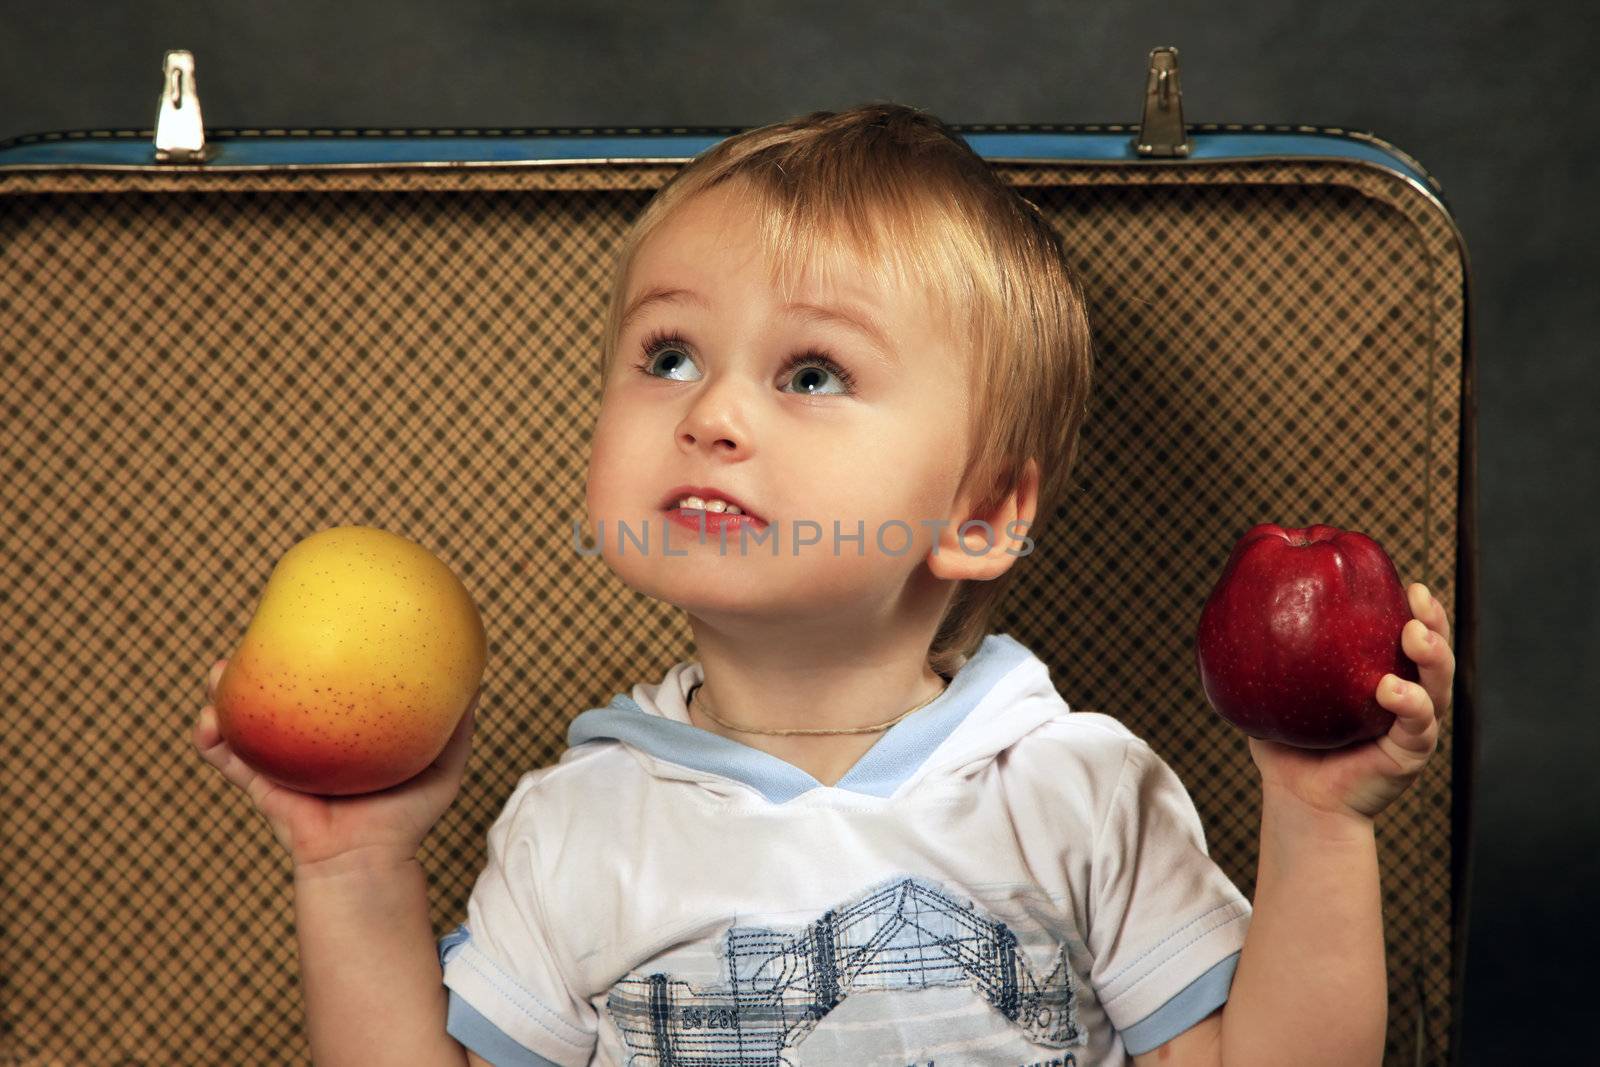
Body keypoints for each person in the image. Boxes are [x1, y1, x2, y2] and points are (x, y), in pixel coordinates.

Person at [193, 102, 1454, 1067]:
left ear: (980, 515)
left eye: (809, 373)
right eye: (669, 353)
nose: (714, 411)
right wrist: (354, 872)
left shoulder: (1075, 787)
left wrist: (1317, 820)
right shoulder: (574, 824)